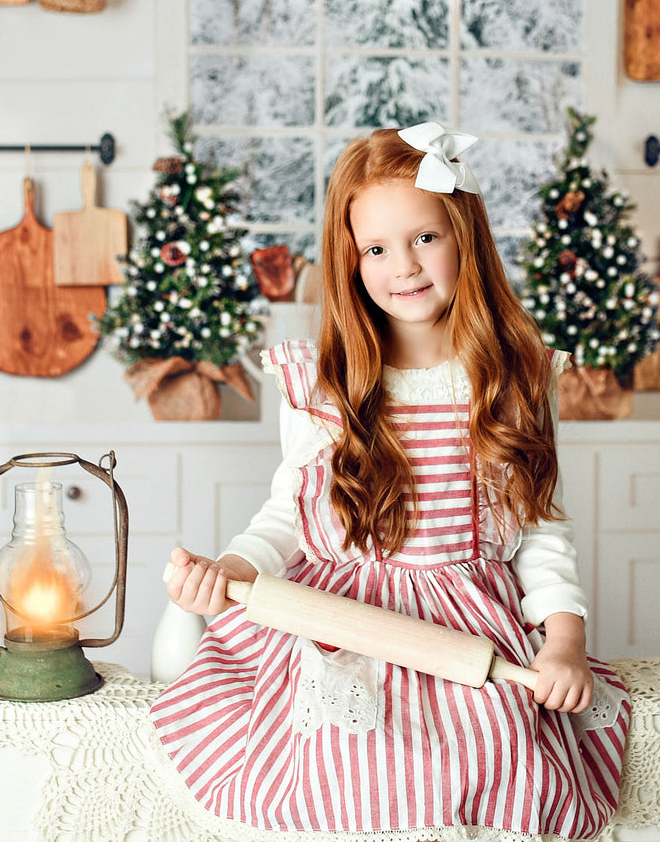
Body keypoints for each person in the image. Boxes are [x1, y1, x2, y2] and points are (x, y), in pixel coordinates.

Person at [150, 123, 630, 841]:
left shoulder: (516, 377)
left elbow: (539, 528)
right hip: (342, 620)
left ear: (463, 235)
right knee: (342, 764)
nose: (401, 266)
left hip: (467, 627)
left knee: (489, 757)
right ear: (350, 262)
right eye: (375, 248)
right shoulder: (322, 385)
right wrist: (234, 566)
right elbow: (288, 514)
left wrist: (561, 640)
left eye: (423, 238)